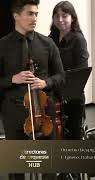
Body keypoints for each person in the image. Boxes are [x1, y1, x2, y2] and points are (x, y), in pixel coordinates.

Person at [0, 0, 64, 179]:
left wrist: (46, 83)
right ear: (16, 15)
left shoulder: (47, 44)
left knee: (48, 166)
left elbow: (61, 76)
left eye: (36, 14)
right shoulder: (2, 46)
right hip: (14, 111)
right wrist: (12, 79)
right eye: (29, 13)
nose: (34, 18)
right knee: (16, 167)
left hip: (43, 111)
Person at [49, 0, 89, 140]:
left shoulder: (79, 40)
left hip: (73, 96)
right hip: (54, 94)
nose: (60, 20)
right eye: (56, 16)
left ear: (73, 18)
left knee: (73, 135)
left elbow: (81, 72)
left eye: (64, 15)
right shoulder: (50, 39)